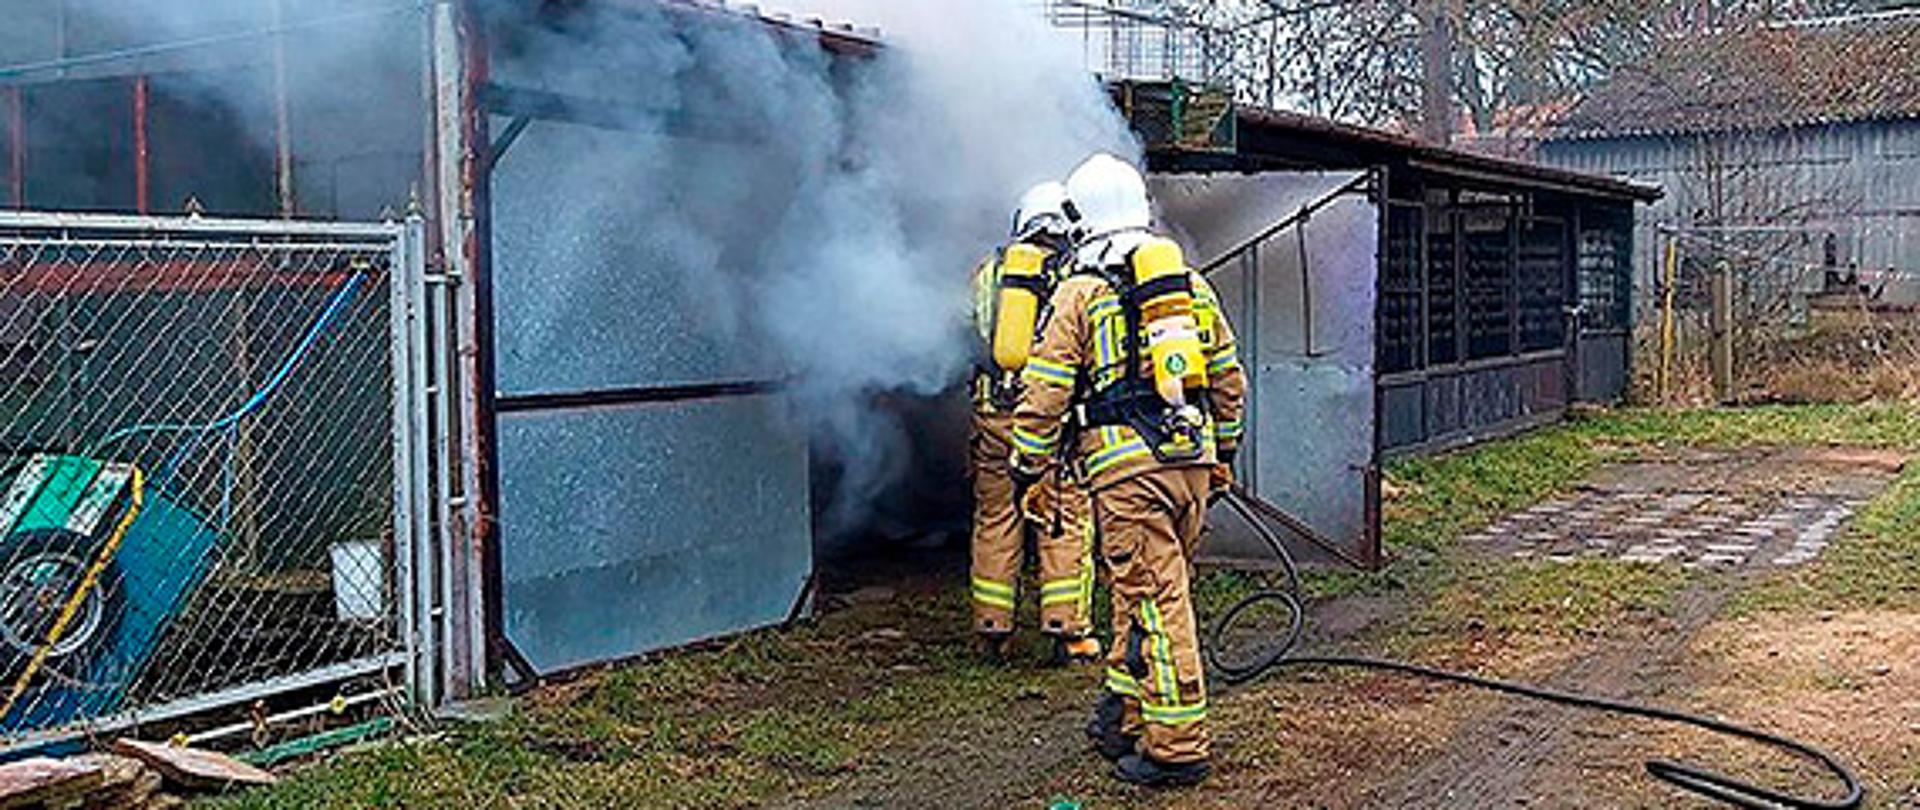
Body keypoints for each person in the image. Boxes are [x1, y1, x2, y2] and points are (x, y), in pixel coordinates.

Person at [1010, 154, 1246, 787]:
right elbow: (1228, 380)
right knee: (1141, 594)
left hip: (1128, 474)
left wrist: (1028, 465)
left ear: (1081, 220)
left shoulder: (1079, 292)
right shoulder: (1188, 287)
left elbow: (1046, 390)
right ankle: (1124, 714)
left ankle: (1177, 748)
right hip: (1192, 464)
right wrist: (1224, 455)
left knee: (1156, 602)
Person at [966, 181, 1101, 665]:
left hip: (993, 415)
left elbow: (963, 336)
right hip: (1051, 421)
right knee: (1062, 516)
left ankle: (993, 629)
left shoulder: (987, 275)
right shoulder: (1076, 274)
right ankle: (1068, 632)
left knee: (996, 516)